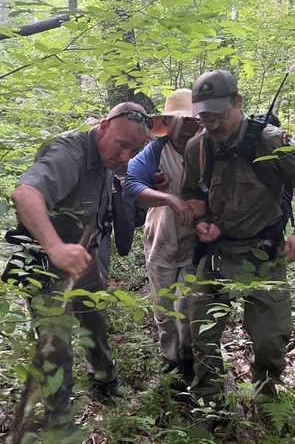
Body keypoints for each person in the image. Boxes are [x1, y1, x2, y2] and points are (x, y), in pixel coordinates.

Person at [181, 70, 295, 404]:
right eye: (203, 115)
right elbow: (191, 191)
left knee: (270, 340)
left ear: (237, 102)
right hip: (216, 255)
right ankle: (209, 403)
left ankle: (266, 397)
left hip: (263, 255)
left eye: (217, 114)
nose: (211, 122)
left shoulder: (272, 141)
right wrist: (201, 219)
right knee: (200, 334)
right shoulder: (197, 147)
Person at [5, 102, 151, 428]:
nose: (126, 156)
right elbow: (25, 193)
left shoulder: (107, 159)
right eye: (121, 144)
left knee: (94, 318)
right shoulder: (69, 153)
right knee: (55, 342)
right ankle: (59, 419)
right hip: (46, 261)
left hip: (85, 258)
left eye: (135, 149)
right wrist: (56, 248)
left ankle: (104, 378)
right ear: (103, 126)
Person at [123, 89, 204, 387]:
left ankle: (189, 360)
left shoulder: (209, 150)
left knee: (190, 306)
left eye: (192, 122)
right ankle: (171, 363)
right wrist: (168, 198)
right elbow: (130, 184)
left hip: (198, 242)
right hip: (161, 237)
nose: (185, 129)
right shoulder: (156, 151)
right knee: (164, 307)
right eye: (179, 122)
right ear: (168, 123)